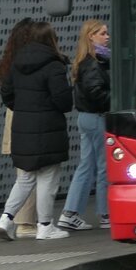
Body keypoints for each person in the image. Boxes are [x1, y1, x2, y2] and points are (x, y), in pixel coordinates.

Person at [0, 21, 73, 241]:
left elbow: (7, 94)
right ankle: (45, 226)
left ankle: (5, 218)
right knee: (48, 178)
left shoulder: (16, 64)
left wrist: (22, 109)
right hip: (48, 128)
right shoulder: (54, 65)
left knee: (25, 179)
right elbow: (63, 100)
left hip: (22, 127)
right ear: (50, 40)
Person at [57, 20, 110, 231]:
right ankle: (106, 213)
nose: (107, 36)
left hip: (86, 118)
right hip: (97, 117)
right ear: (91, 36)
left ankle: (70, 213)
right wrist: (118, 97)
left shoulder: (86, 60)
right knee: (104, 166)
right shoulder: (95, 62)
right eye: (103, 33)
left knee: (86, 166)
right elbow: (95, 92)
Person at [0, 19, 38, 238]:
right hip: (29, 116)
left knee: (24, 171)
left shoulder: (9, 60)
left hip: (14, 116)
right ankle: (26, 223)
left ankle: (18, 221)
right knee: (31, 173)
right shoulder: (31, 61)